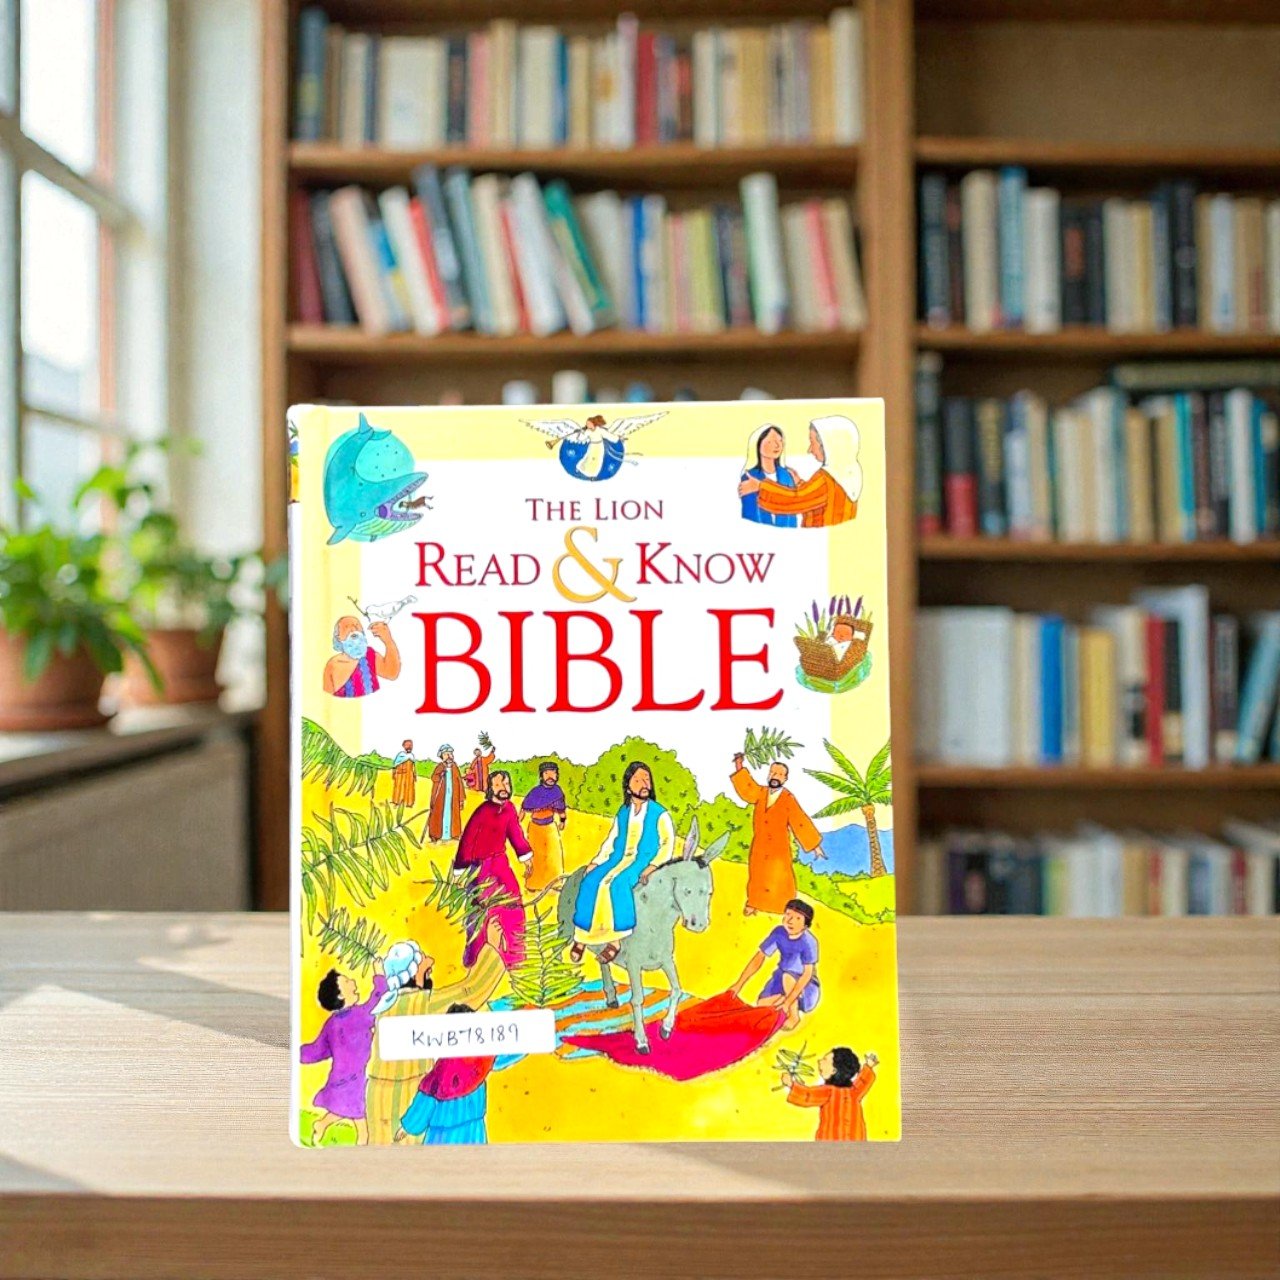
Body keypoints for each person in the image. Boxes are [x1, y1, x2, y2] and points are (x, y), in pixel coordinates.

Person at [364, 917, 510, 1145]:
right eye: (423, 962)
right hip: (407, 1097)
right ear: (414, 974)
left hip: (378, 1098)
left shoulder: (386, 1006)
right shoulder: (420, 1004)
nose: (430, 963)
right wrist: (491, 947)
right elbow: (470, 991)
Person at [570, 761, 675, 964]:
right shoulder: (623, 812)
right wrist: (597, 862)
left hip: (641, 862)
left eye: (646, 779)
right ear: (628, 787)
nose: (644, 784)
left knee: (617, 885)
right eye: (638, 780)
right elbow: (611, 840)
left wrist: (654, 865)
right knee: (591, 881)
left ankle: (615, 942)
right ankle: (581, 937)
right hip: (617, 858)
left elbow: (667, 843)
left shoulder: (660, 814)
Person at [394, 1005, 521, 1145]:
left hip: (443, 1137)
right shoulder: (480, 1059)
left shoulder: (444, 1069)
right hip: (473, 1133)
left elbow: (426, 1102)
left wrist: (408, 1127)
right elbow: (505, 1055)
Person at [299, 959, 387, 1145]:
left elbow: (317, 1050)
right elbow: (375, 1004)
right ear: (340, 995)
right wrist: (379, 976)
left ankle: (321, 1125)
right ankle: (361, 1149)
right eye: (347, 982)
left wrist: (297, 1053)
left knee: (344, 1109)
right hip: (354, 1080)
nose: (353, 982)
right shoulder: (357, 1016)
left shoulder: (332, 1022)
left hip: (342, 1079)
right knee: (361, 1124)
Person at [451, 770, 530, 968]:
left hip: (501, 865)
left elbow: (516, 834)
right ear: (490, 788)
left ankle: (515, 957)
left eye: (506, 784)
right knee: (481, 912)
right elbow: (467, 840)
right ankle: (475, 958)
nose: (503, 788)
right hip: (479, 868)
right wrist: (460, 869)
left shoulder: (509, 809)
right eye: (498, 784)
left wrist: (526, 857)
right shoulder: (482, 811)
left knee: (513, 905)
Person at [730, 753, 824, 915]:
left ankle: (784, 907)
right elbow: (747, 789)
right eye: (772, 773)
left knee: (780, 877)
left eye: (779, 774)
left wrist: (815, 845)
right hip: (760, 846)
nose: (775, 776)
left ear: (785, 779)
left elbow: (800, 821)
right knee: (757, 875)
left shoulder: (788, 798)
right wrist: (739, 764)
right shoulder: (761, 793)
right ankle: (754, 903)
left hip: (778, 849)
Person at [737, 414, 861, 529]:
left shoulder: (826, 479)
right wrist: (800, 483)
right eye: (770, 441)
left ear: (827, 445)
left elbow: (796, 500)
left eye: (812, 443)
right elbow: (814, 498)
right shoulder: (847, 473)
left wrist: (760, 487)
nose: (809, 450)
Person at [730, 899, 820, 1031]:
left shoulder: (809, 942)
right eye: (788, 914)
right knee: (762, 1006)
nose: (790, 921)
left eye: (797, 918)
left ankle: (793, 1016)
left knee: (787, 977)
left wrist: (787, 1003)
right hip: (781, 979)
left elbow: (807, 974)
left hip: (806, 987)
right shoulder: (779, 932)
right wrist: (739, 985)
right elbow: (759, 958)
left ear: (805, 925)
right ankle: (784, 1002)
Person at [782, 1047, 878, 1140]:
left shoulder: (839, 1092)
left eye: (825, 1060)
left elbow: (808, 1095)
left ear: (834, 1070)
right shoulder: (851, 1091)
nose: (819, 1061)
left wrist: (791, 1084)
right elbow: (808, 1095)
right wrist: (791, 1084)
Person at [322, 615, 402, 697]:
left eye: (356, 625)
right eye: (346, 627)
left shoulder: (370, 655)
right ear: (338, 637)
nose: (353, 629)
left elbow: (392, 674)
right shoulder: (333, 664)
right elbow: (326, 697)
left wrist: (388, 640)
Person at [519, 761, 568, 892]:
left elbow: (561, 809)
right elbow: (524, 808)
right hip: (535, 827)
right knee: (536, 856)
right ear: (541, 776)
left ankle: (555, 883)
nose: (550, 776)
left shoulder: (557, 791)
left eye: (553, 773)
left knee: (553, 855)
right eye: (547, 773)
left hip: (550, 826)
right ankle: (533, 884)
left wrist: (563, 820)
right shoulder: (535, 792)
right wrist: (517, 822)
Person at [739, 424, 800, 527]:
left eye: (780, 441)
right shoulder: (749, 477)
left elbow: (793, 505)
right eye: (770, 441)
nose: (777, 445)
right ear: (758, 445)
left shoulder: (787, 475)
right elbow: (750, 514)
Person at [426, 744, 464, 842]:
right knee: (438, 814)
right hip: (441, 797)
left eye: (450, 753)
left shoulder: (455, 767)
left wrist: (461, 798)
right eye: (446, 754)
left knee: (453, 815)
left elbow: (459, 782)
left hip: (453, 796)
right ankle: (435, 835)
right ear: (442, 756)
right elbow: (434, 777)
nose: (449, 756)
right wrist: (440, 775)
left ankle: (454, 834)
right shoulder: (440, 766)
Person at [391, 739, 416, 807]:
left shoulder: (412, 756)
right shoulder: (400, 755)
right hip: (400, 774)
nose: (409, 747)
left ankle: (409, 803)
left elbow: (413, 766)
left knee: (409, 788)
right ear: (404, 746)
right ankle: (397, 801)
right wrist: (393, 773)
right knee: (399, 787)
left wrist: (415, 774)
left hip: (409, 775)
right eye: (407, 745)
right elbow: (395, 765)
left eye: (411, 745)